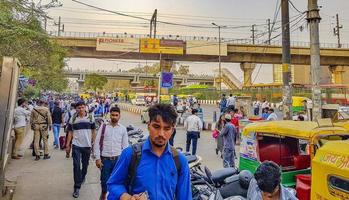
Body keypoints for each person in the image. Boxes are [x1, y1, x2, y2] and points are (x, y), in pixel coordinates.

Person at [107, 104, 192, 200]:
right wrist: (127, 197)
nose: (161, 133)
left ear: (172, 130)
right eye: (156, 127)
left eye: (167, 129)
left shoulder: (180, 161)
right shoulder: (130, 155)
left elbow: (185, 197)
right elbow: (113, 183)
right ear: (148, 126)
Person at [94, 106, 128, 200]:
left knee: (118, 181)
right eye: (112, 115)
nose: (114, 117)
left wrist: (125, 162)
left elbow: (125, 147)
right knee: (104, 181)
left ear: (119, 116)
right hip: (105, 160)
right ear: (110, 115)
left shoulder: (122, 129)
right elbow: (97, 143)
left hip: (118, 160)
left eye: (116, 115)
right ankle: (103, 194)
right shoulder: (104, 127)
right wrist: (97, 158)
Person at [65, 101, 96, 198]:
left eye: (83, 107)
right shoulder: (73, 118)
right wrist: (67, 145)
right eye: (79, 108)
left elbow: (94, 131)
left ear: (85, 107)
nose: (81, 109)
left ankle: (82, 176)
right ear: (76, 109)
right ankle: (77, 187)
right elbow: (70, 132)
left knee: (85, 165)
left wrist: (94, 144)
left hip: (87, 146)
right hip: (76, 145)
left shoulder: (90, 117)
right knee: (76, 165)